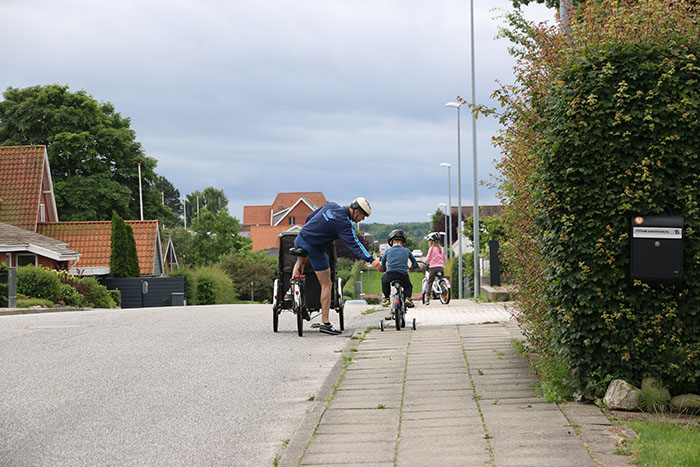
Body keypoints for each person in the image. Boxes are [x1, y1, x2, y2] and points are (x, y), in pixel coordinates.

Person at [289, 197, 382, 335]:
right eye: (363, 216)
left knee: (300, 261)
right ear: (356, 211)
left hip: (301, 238)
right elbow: (355, 244)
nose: (362, 220)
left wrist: (311, 230)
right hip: (316, 248)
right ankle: (325, 323)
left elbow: (311, 217)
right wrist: (371, 260)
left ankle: (291, 292)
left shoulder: (331, 205)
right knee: (327, 284)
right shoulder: (344, 224)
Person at [380, 229, 418, 309]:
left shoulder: (387, 250)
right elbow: (414, 262)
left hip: (390, 274)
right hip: (403, 274)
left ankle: (386, 298)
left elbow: (383, 262)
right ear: (403, 242)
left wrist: (384, 269)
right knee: (408, 286)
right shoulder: (407, 250)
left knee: (384, 281)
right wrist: (413, 266)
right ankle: (407, 298)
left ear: (390, 242)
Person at [423, 232, 446, 305]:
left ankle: (427, 298)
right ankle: (443, 290)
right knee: (440, 279)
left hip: (433, 268)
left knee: (430, 282)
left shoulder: (431, 249)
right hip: (441, 267)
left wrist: (427, 261)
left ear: (431, 241)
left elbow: (428, 258)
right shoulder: (441, 249)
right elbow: (444, 258)